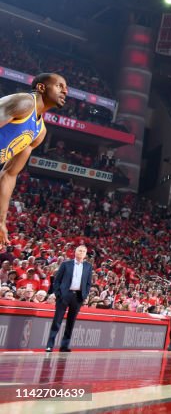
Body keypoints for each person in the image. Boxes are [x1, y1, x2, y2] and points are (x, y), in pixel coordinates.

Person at [0, 73, 68, 245]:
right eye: (59, 85)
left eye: (66, 88)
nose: (65, 91)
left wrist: (1, 220)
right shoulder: (24, 102)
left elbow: (9, 174)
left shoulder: (40, 132)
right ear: (41, 87)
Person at [45, 245, 92, 352]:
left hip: (78, 297)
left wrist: (84, 295)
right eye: (80, 250)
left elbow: (88, 283)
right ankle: (50, 345)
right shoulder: (66, 264)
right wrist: (58, 294)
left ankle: (64, 345)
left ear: (86, 254)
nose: (81, 252)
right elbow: (57, 280)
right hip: (64, 295)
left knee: (71, 322)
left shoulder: (88, 266)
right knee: (57, 321)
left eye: (84, 251)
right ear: (75, 252)